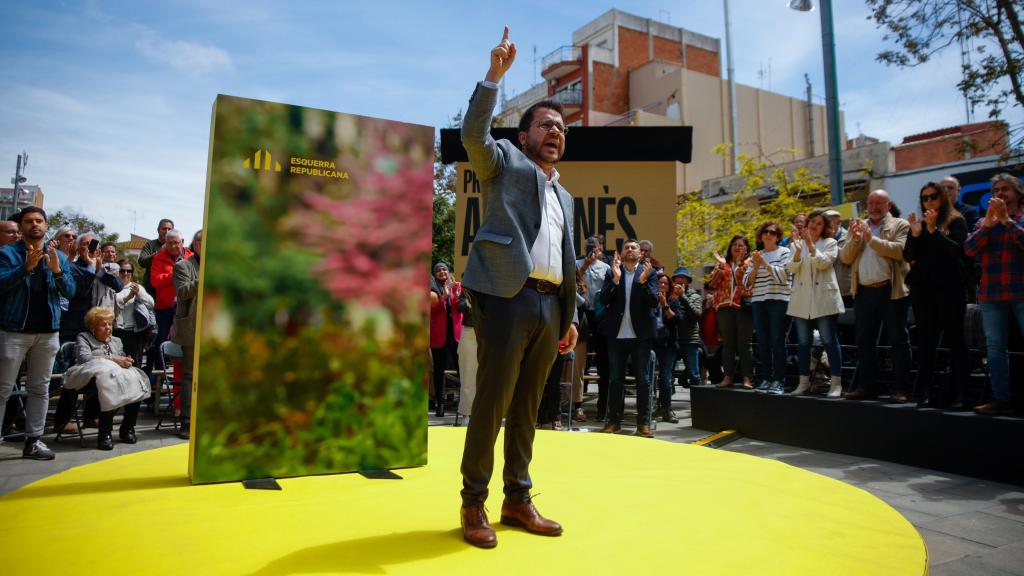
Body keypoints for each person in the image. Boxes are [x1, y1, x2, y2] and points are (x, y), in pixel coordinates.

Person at [457, 26, 578, 549]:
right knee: (492, 402)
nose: (556, 132)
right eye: (546, 125)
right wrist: (493, 77)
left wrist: (570, 317)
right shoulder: (504, 161)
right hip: (507, 297)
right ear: (525, 134)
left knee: (528, 408)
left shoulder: (565, 196)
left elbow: (567, 260)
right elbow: (473, 136)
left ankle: (516, 499)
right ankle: (472, 502)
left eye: (562, 128)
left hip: (551, 308)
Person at [0, 206, 75, 460]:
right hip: (14, 330)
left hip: (48, 332)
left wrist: (57, 272)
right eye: (29, 221)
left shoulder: (58, 256)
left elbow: (70, 292)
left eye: (39, 221)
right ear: (20, 227)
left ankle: (34, 440)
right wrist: (25, 268)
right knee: (3, 388)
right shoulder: (7, 254)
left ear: (46, 225)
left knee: (40, 388)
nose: (35, 225)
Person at [840, 190, 913, 402]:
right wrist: (855, 238)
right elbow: (845, 257)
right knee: (864, 341)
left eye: (879, 203)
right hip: (864, 291)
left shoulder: (900, 224)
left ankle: (900, 389)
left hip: (891, 290)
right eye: (871, 203)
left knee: (898, 340)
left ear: (888, 205)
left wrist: (871, 239)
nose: (874, 207)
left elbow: (900, 251)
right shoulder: (858, 226)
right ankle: (866, 387)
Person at [903, 182, 970, 409]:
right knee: (926, 342)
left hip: (950, 289)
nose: (929, 201)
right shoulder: (919, 224)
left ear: (942, 197)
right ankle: (924, 393)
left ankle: (962, 394)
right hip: (924, 291)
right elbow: (908, 256)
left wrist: (933, 232)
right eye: (924, 198)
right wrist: (914, 234)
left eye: (933, 197)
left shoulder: (956, 221)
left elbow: (959, 250)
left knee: (955, 341)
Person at [965, 174, 1024, 415]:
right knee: (995, 347)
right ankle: (1001, 397)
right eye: (996, 190)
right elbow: (969, 250)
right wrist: (989, 226)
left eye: (1006, 189)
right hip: (991, 294)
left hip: (1021, 291)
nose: (1000, 193)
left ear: (1018, 193)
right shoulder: (983, 222)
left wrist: (1007, 222)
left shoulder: (1019, 219)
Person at [57, 307, 149, 450]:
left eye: (110, 324)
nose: (108, 328)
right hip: (85, 375)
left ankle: (127, 428)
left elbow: (121, 358)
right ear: (93, 327)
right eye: (103, 324)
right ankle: (105, 433)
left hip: (112, 377)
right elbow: (84, 358)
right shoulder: (84, 337)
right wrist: (113, 358)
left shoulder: (117, 341)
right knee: (109, 385)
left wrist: (125, 361)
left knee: (136, 383)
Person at [598, 240, 658, 436]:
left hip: (640, 336)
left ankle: (643, 424)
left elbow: (653, 301)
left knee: (643, 380)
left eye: (634, 247)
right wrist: (615, 280)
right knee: (615, 380)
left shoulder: (650, 273)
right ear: (621, 253)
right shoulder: (612, 272)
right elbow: (604, 299)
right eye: (627, 248)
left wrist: (643, 282)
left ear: (641, 253)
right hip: (616, 335)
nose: (630, 250)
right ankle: (614, 422)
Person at [786, 210, 845, 398]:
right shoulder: (797, 244)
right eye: (812, 221)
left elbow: (823, 264)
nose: (813, 225)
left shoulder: (831, 243)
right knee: (803, 343)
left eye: (819, 223)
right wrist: (796, 251)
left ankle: (836, 384)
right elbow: (791, 268)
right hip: (802, 301)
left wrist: (810, 245)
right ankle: (803, 383)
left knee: (829, 341)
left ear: (825, 227)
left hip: (824, 300)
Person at [744, 221, 791, 394]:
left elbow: (784, 277)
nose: (768, 235)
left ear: (778, 236)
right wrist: (756, 267)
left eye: (772, 232)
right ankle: (765, 378)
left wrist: (764, 264)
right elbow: (747, 283)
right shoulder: (755, 255)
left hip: (779, 300)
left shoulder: (785, 252)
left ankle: (779, 380)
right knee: (763, 342)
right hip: (758, 301)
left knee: (777, 341)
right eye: (765, 232)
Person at [708, 235, 754, 388]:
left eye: (741, 245)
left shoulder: (750, 263)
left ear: (746, 248)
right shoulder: (723, 263)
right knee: (728, 343)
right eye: (734, 244)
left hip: (743, 306)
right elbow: (712, 284)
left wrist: (737, 265)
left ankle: (747, 377)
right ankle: (728, 376)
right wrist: (721, 267)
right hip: (724, 306)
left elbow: (745, 281)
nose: (737, 247)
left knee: (744, 343)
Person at [61, 233, 123, 343]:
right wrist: (91, 267)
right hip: (77, 325)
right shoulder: (72, 267)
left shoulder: (104, 268)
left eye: (93, 245)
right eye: (86, 244)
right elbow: (80, 291)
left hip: (99, 326)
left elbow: (118, 287)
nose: (90, 247)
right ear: (79, 249)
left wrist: (99, 271)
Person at [171, 229, 201, 440]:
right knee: (190, 375)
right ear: (194, 244)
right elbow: (182, 293)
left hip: (216, 326)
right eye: (201, 241)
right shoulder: (183, 266)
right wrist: (206, 275)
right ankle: (186, 422)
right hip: (193, 328)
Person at [576, 235, 609, 419]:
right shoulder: (576, 263)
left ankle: (603, 408)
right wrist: (585, 266)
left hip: (599, 316)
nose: (592, 249)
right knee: (580, 362)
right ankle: (577, 403)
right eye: (589, 246)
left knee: (603, 361)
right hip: (581, 314)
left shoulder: (606, 268)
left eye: (595, 247)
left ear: (600, 248)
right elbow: (573, 282)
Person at [150, 229, 192, 375]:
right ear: (165, 244)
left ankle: (185, 372)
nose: (173, 246)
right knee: (161, 340)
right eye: (169, 243)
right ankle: (160, 376)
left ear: (183, 242)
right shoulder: (158, 258)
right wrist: (175, 273)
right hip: (165, 307)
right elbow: (155, 281)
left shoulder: (191, 256)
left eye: (176, 242)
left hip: (186, 306)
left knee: (186, 340)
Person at [940, 175, 981, 302]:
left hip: (963, 273)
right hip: (939, 274)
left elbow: (967, 240)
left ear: (958, 191)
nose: (946, 190)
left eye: (950, 187)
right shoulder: (932, 214)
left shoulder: (969, 212)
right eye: (943, 188)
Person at [429, 262, 462, 417]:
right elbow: (432, 311)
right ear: (435, 274)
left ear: (448, 272)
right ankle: (440, 405)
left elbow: (459, 307)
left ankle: (464, 406)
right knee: (439, 371)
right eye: (438, 270)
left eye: (444, 269)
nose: (442, 272)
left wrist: (454, 294)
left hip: (455, 336)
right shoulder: (431, 289)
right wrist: (442, 298)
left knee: (461, 369)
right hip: (438, 335)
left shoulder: (456, 286)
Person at [113, 259, 155, 367]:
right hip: (115, 331)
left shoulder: (137, 287)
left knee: (134, 364)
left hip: (133, 332)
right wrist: (127, 298)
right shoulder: (112, 287)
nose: (126, 274)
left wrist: (139, 293)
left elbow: (151, 303)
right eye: (122, 271)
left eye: (129, 271)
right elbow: (111, 306)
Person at [652, 275, 681, 422]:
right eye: (659, 283)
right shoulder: (650, 300)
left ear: (669, 287)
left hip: (668, 345)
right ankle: (658, 406)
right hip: (652, 343)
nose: (662, 285)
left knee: (666, 377)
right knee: (650, 377)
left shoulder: (673, 301)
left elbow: (677, 320)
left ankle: (667, 409)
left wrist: (664, 305)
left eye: (665, 283)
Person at [670, 267, 703, 390]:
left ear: (688, 281)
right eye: (677, 278)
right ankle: (665, 404)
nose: (679, 280)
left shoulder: (695, 296)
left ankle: (699, 405)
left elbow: (696, 315)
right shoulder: (669, 294)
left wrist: (682, 296)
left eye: (683, 278)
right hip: (672, 339)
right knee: (668, 374)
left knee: (694, 374)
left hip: (689, 340)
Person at [456, 286, 477, 426]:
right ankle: (467, 414)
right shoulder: (468, 286)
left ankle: (487, 414)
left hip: (491, 333)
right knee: (468, 374)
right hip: (470, 331)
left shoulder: (495, 283)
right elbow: (461, 306)